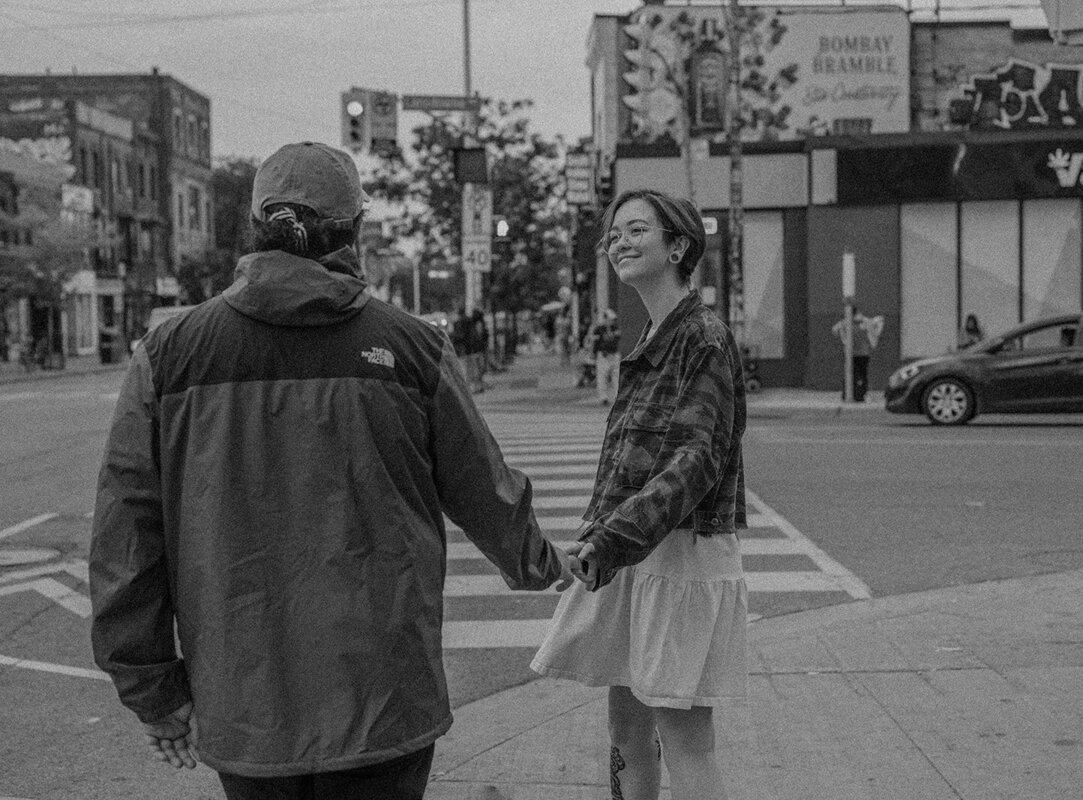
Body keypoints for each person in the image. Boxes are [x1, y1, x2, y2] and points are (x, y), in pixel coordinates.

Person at [89, 141, 573, 800]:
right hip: (383, 691)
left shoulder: (169, 355)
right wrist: (539, 563)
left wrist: (152, 689)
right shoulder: (411, 348)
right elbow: (482, 485)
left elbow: (127, 535)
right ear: (355, 231)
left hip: (246, 696)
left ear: (256, 225)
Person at [532, 189, 748, 800]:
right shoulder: (654, 335)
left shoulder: (701, 336)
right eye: (613, 234)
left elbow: (695, 460)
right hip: (634, 554)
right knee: (626, 726)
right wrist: (598, 540)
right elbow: (629, 465)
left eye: (634, 231)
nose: (617, 243)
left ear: (677, 245)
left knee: (685, 740)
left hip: (678, 557)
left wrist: (611, 540)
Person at [831, 306, 884, 402]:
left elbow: (835, 330)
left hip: (853, 354)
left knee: (852, 374)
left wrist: (842, 333)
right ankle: (860, 394)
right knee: (861, 375)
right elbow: (876, 326)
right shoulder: (863, 322)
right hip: (862, 353)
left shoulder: (846, 322)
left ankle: (851, 394)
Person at [591, 308, 621, 405]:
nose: (612, 322)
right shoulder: (598, 330)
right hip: (603, 355)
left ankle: (617, 396)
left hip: (613, 354)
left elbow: (616, 340)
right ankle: (603, 397)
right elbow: (595, 343)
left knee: (616, 376)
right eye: (610, 319)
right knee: (602, 377)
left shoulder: (615, 328)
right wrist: (594, 353)